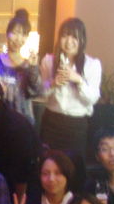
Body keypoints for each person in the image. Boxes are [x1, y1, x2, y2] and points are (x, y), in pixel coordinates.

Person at [40, 18, 102, 159]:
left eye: (74, 37)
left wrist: (78, 80)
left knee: (74, 165)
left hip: (76, 125)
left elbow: (93, 99)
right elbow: (41, 94)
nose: (69, 41)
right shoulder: (48, 61)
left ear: (82, 39)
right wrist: (53, 84)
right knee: (49, 162)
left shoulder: (92, 65)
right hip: (52, 122)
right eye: (65, 36)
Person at [0, 8, 42, 124]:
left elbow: (35, 92)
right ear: (7, 34)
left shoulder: (29, 65)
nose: (19, 39)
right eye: (15, 33)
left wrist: (33, 68)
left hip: (23, 123)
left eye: (23, 34)